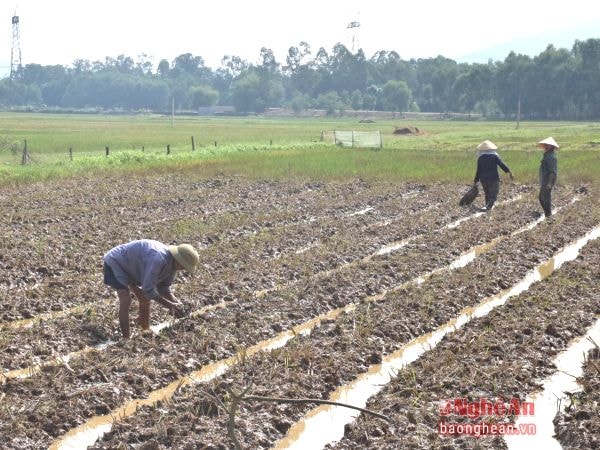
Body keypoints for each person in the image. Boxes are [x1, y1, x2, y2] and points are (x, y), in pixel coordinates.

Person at [103, 239, 199, 338]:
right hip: (116, 262)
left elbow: (164, 289)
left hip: (133, 268)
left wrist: (178, 304)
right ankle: (126, 339)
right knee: (126, 300)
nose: (183, 269)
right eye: (184, 266)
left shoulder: (173, 266)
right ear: (178, 259)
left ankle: (145, 332)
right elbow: (147, 290)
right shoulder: (158, 259)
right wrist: (171, 306)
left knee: (144, 299)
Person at [473, 140, 513, 210]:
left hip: (484, 179)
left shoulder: (480, 158)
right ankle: (488, 207)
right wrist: (509, 171)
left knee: (487, 194)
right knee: (493, 195)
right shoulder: (494, 156)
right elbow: (501, 164)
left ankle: (487, 207)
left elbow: (478, 170)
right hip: (494, 179)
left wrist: (475, 181)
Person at [537, 137, 559, 218]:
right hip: (545, 180)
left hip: (547, 180)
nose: (546, 146)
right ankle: (548, 214)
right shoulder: (547, 155)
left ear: (552, 147)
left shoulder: (550, 156)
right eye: (546, 144)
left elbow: (552, 171)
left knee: (544, 197)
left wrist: (549, 183)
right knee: (543, 197)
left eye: (548, 145)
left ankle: (548, 214)